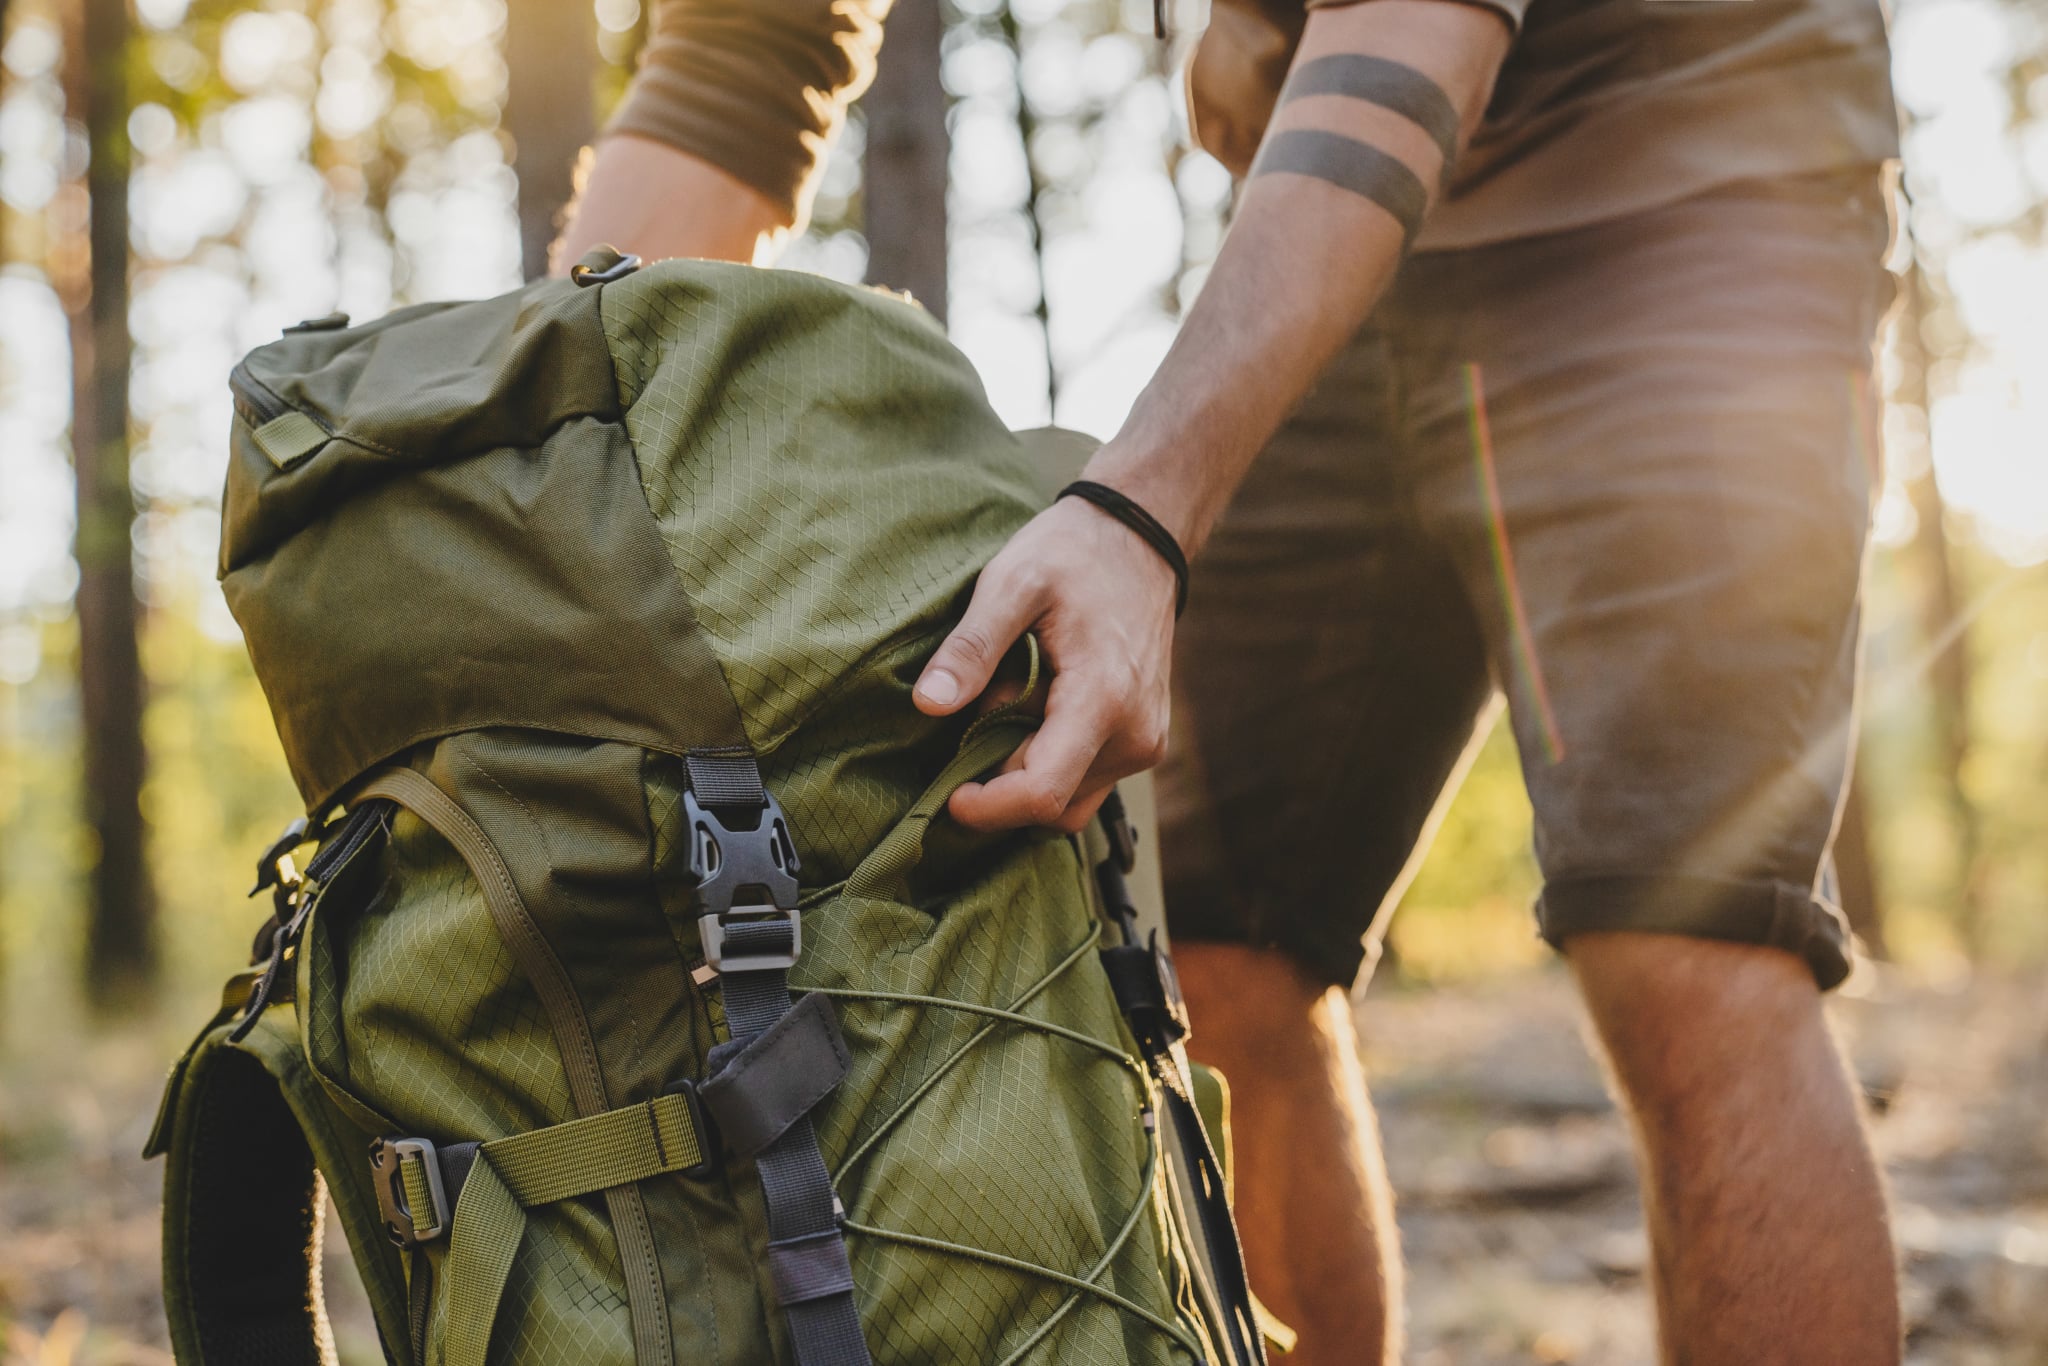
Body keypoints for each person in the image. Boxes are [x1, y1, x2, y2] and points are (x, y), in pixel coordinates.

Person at [557, 0, 1905, 1358]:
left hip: (1689, 189)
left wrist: (1139, 514)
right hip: (1357, 240)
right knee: (1214, 953)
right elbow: (750, 48)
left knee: (1686, 930)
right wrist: (526, 446)